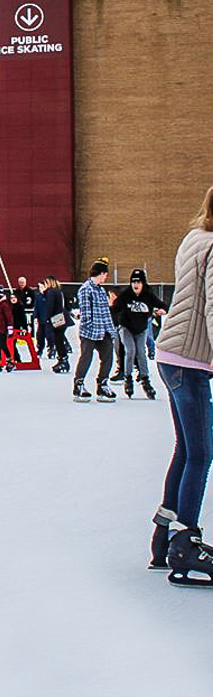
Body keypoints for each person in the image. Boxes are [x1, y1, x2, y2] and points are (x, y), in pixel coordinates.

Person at [149, 187, 213, 585]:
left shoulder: (194, 238)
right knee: (202, 453)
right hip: (189, 362)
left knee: (187, 450)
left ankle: (162, 539)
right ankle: (186, 542)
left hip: (170, 356)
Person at [112, 269, 167, 399]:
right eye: (133, 282)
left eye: (138, 282)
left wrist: (162, 310)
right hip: (126, 328)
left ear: (143, 283)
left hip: (141, 329)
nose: (135, 285)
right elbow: (115, 308)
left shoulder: (148, 295)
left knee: (141, 352)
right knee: (130, 350)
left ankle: (145, 378)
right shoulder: (126, 295)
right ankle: (128, 378)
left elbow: (162, 304)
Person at [72, 258, 119, 403]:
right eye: (105, 274)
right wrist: (90, 328)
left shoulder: (100, 290)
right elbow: (86, 313)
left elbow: (106, 313)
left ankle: (102, 384)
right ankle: (78, 384)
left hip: (103, 330)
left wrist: (111, 331)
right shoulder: (86, 289)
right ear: (101, 273)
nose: (106, 277)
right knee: (86, 357)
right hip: (89, 332)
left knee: (108, 356)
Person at [43, 276, 72, 374]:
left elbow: (50, 306)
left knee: (58, 339)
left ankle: (63, 359)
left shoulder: (51, 292)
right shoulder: (58, 291)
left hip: (56, 318)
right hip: (61, 317)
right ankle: (62, 358)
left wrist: (47, 318)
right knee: (59, 339)